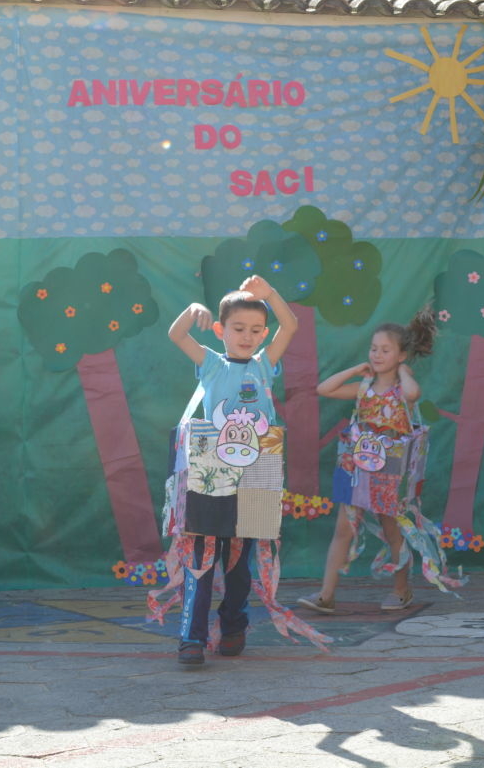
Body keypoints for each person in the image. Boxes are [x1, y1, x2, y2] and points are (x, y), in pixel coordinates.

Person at [164, 275, 297, 666]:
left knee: (240, 560)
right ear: (221, 330)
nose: (247, 335)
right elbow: (177, 335)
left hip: (257, 472)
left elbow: (291, 326)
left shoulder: (265, 364)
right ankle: (191, 638)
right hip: (209, 473)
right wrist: (192, 312)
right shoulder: (211, 363)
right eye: (238, 328)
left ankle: (234, 626)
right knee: (202, 555)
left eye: (256, 330)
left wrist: (270, 294)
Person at [298, 310, 448, 614]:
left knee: (392, 530)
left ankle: (401, 589)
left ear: (401, 355)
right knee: (343, 528)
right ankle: (326, 595)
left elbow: (413, 393)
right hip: (358, 466)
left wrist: (405, 372)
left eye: (385, 350)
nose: (377, 354)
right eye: (373, 348)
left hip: (391, 470)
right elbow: (323, 389)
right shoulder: (364, 389)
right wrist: (356, 369)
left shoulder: (400, 390)